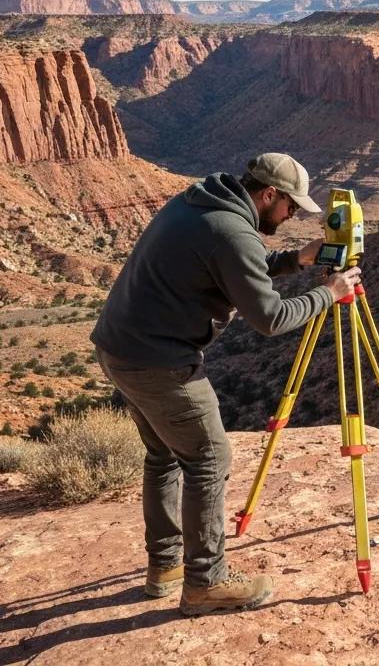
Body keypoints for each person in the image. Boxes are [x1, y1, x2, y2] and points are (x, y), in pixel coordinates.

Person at [91, 152, 360, 615]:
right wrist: (328, 293)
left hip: (119, 348)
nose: (292, 215)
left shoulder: (201, 202)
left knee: (164, 455)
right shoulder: (233, 232)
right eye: (291, 207)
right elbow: (271, 318)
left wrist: (295, 260)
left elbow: (234, 264)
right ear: (268, 194)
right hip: (160, 362)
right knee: (209, 457)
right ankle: (206, 581)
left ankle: (167, 567)